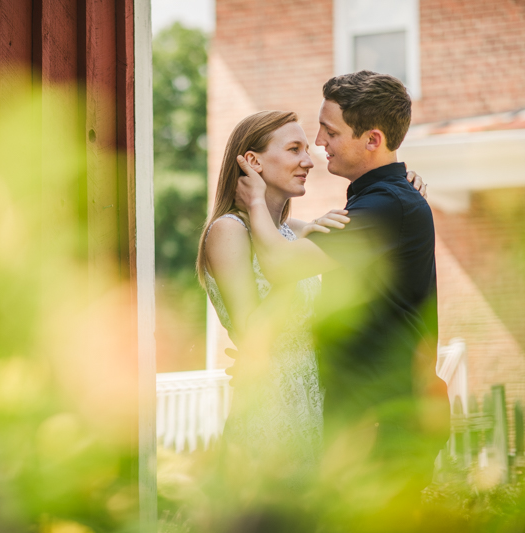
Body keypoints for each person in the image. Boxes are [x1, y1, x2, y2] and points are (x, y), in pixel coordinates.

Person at [234, 71, 449, 531]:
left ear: (372, 139)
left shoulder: (388, 205)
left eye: (330, 131)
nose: (318, 142)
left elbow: (282, 265)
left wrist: (254, 203)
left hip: (385, 421)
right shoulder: (382, 201)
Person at [197, 109, 427, 486]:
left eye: (307, 148)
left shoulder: (294, 231)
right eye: (294, 149)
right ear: (252, 162)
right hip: (272, 411)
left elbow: (381, 220)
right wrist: (289, 267)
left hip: (319, 406)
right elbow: (253, 335)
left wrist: (407, 182)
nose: (309, 160)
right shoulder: (228, 231)